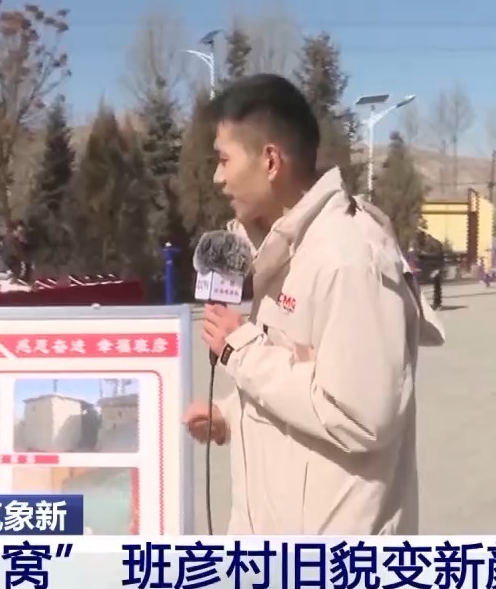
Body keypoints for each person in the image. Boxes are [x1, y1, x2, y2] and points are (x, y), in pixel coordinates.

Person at [181, 73, 441, 535]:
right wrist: (231, 414)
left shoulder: (347, 258)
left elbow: (360, 415)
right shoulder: (286, 248)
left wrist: (241, 350)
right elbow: (299, 382)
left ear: (270, 160)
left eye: (223, 160)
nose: (218, 178)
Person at [413, 230, 445, 310]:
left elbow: (438, 255)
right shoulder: (420, 243)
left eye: (418, 238)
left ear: (423, 236)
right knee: (412, 279)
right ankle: (417, 303)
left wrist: (424, 254)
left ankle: (437, 303)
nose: (418, 241)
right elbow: (417, 255)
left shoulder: (434, 243)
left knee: (436, 281)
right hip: (426, 267)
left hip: (436, 267)